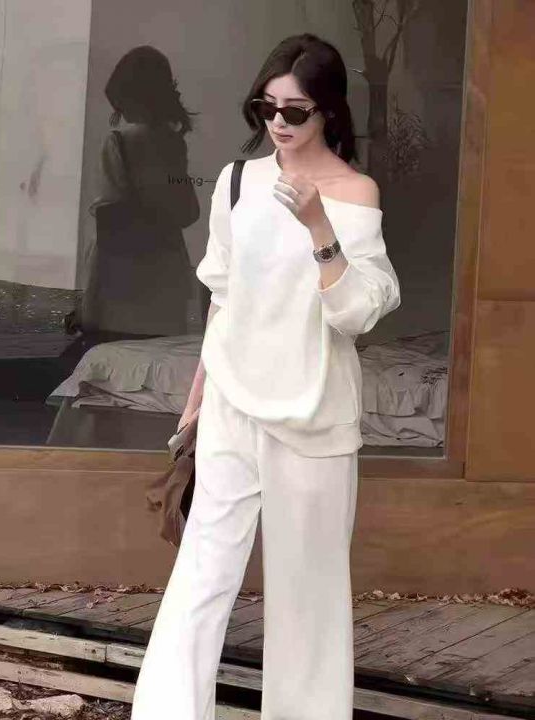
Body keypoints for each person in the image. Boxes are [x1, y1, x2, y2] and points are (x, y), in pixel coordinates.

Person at [131, 33, 401, 720]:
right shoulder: (236, 180)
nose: (278, 121)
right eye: (267, 106)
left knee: (307, 593)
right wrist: (195, 403)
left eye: (296, 110)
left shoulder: (354, 193)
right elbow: (225, 300)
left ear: (329, 111)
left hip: (313, 415)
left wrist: (318, 226)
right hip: (232, 403)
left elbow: (356, 314)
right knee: (200, 578)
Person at [79, 45, 199, 339]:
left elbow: (109, 220)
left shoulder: (118, 142)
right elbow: (189, 213)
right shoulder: (174, 143)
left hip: (123, 276)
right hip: (167, 272)